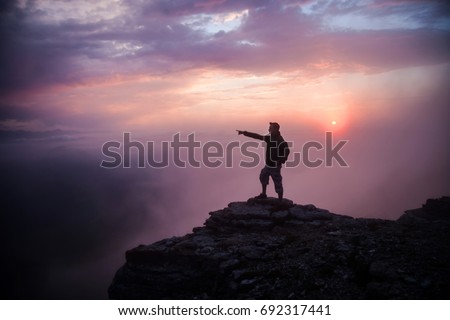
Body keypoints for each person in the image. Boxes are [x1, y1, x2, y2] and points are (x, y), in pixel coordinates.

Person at [237, 122, 290, 200]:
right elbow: (257, 136)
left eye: (270, 128)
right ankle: (264, 194)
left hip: (275, 167)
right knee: (263, 176)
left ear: (275, 129)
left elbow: (287, 150)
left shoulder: (280, 140)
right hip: (268, 165)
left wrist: (281, 160)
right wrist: (244, 133)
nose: (269, 129)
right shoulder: (269, 138)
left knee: (277, 182)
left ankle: (280, 201)